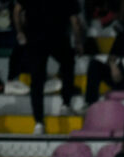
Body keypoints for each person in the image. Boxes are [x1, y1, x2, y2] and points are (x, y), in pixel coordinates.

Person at [14, 0, 84, 134]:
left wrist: (20, 32)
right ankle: (65, 103)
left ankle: (39, 122)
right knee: (68, 63)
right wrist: (78, 42)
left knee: (37, 80)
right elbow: (75, 21)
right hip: (56, 38)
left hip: (36, 39)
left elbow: (17, 11)